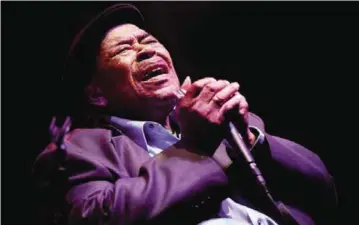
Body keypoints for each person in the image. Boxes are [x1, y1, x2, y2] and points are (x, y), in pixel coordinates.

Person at [32, 3, 338, 225]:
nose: (146, 50)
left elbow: (322, 190)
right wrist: (193, 149)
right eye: (123, 49)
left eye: (149, 40)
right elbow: (97, 218)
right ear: (97, 95)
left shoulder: (223, 124)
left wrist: (249, 139)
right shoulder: (79, 148)